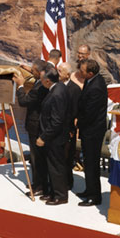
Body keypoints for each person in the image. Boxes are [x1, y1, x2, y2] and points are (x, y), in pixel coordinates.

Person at [12, 59, 51, 197]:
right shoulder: (44, 78)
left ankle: (38, 186)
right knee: (38, 157)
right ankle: (38, 183)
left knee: (36, 157)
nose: (31, 72)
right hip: (40, 124)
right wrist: (29, 69)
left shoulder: (39, 88)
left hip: (35, 125)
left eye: (33, 71)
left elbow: (23, 102)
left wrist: (20, 86)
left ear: (40, 72)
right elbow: (47, 67)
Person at [76, 59, 108, 206]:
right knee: (88, 162)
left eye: (82, 71)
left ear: (90, 73)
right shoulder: (92, 80)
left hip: (93, 130)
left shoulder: (96, 87)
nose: (79, 72)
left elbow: (90, 112)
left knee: (92, 163)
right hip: (89, 129)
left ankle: (94, 196)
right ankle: (89, 189)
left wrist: (78, 123)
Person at [36, 68, 70, 205]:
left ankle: (61, 195)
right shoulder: (60, 87)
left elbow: (56, 121)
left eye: (42, 80)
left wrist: (43, 137)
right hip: (55, 136)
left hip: (55, 138)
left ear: (48, 81)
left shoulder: (57, 94)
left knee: (56, 166)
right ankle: (53, 191)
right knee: (52, 165)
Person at [58, 62, 81, 189]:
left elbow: (74, 111)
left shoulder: (74, 89)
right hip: (57, 129)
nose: (58, 73)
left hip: (68, 130)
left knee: (67, 158)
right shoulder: (57, 86)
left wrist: (70, 129)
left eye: (60, 71)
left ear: (67, 75)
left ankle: (67, 183)